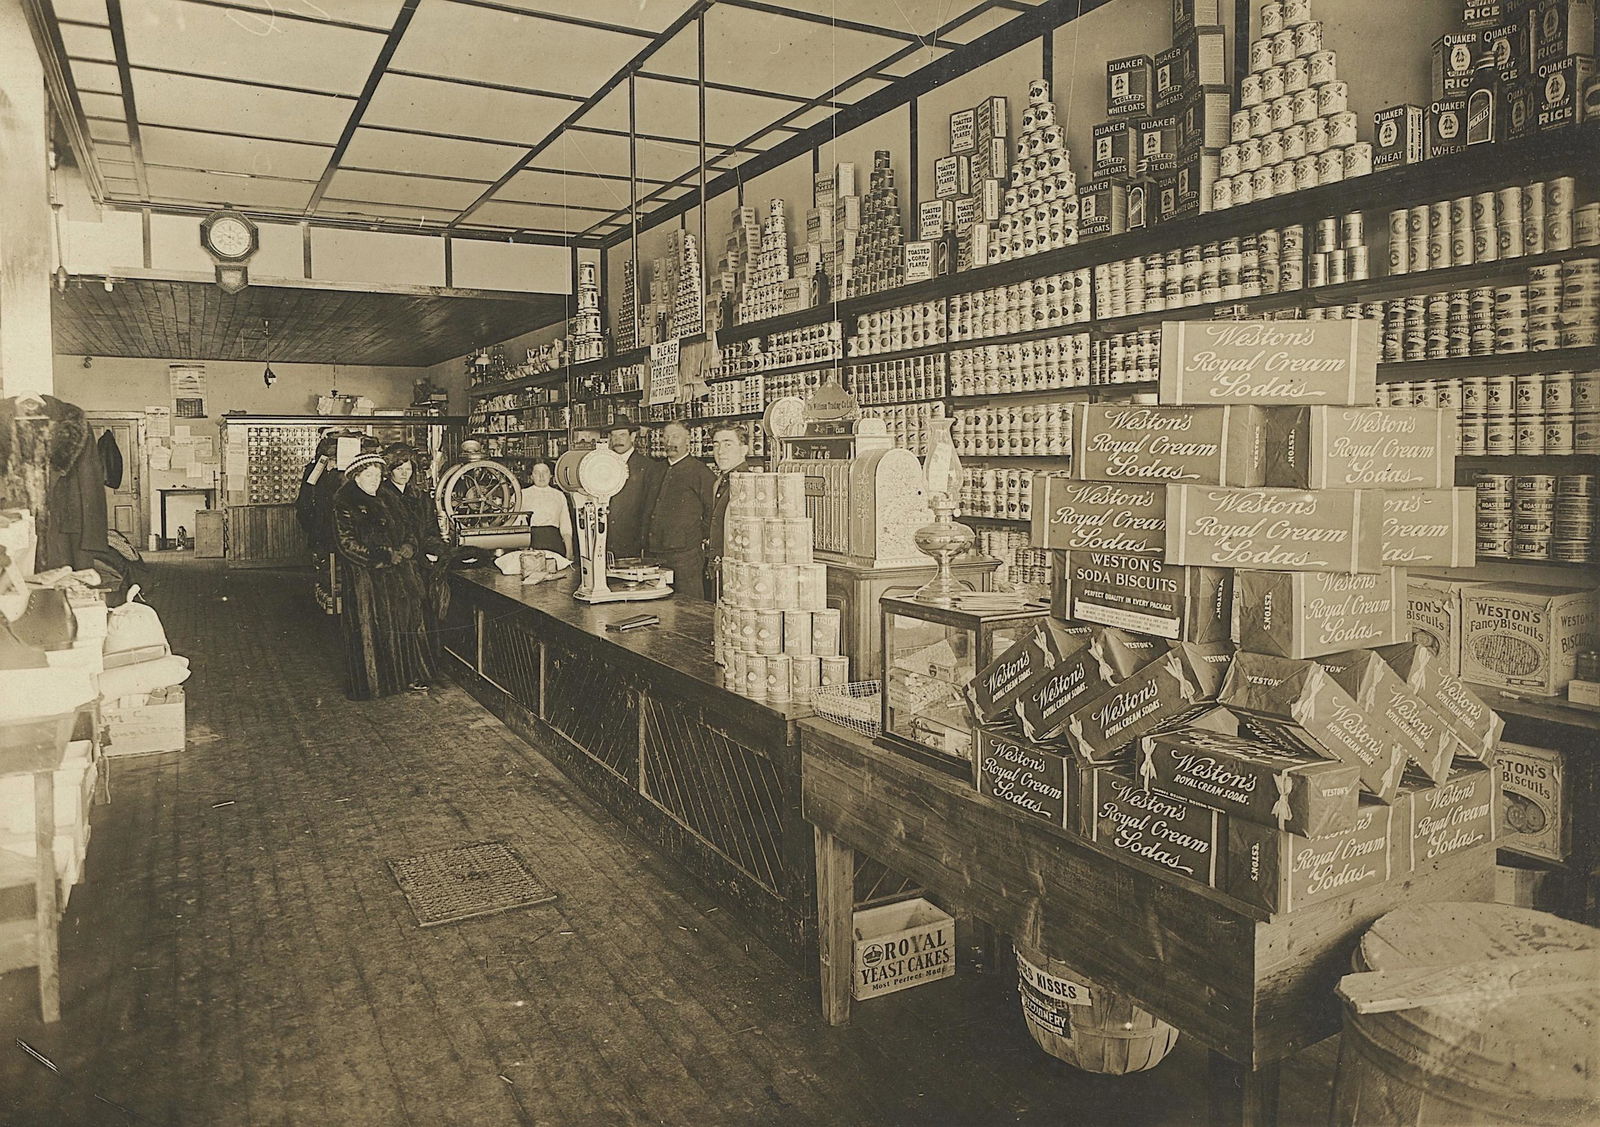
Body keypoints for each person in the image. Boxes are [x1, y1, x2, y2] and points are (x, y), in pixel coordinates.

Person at [333, 453, 433, 699]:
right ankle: (376, 685)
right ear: (356, 476)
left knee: (403, 623)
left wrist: (409, 547)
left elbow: (410, 528)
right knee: (371, 629)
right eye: (369, 475)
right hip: (366, 579)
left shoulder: (387, 497)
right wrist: (384, 556)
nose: (374, 480)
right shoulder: (345, 502)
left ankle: (404, 679)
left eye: (378, 475)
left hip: (398, 576)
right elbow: (347, 544)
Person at [380, 443, 452, 662]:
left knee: (425, 617)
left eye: (408, 468)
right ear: (390, 470)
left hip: (422, 565)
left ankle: (425, 667)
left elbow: (430, 529)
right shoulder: (381, 497)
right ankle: (405, 669)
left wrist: (435, 551)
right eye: (399, 468)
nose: (404, 473)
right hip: (396, 568)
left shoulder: (420, 497)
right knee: (402, 620)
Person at [644, 421, 716, 600]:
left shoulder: (700, 471)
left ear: (688, 440)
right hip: (655, 552)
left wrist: (695, 536)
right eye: (666, 437)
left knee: (689, 604)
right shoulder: (656, 469)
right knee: (659, 603)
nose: (669, 441)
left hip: (685, 555)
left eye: (675, 436)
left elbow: (712, 510)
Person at [705, 427, 752, 600]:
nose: (720, 451)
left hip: (739, 573)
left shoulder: (749, 483)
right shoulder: (719, 483)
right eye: (716, 445)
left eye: (728, 444)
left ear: (744, 449)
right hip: (720, 568)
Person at [604, 417, 660, 560]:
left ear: (633, 436)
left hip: (633, 543)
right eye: (614, 436)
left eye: (622, 435)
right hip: (605, 540)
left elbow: (650, 508)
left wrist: (643, 542)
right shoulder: (604, 464)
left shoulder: (647, 467)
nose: (617, 440)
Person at [517, 460, 572, 556]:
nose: (541, 476)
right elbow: (515, 524)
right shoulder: (521, 494)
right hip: (529, 542)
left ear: (551, 475)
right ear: (531, 476)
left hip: (553, 543)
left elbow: (566, 526)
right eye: (537, 472)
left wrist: (569, 552)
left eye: (545, 472)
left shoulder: (559, 495)